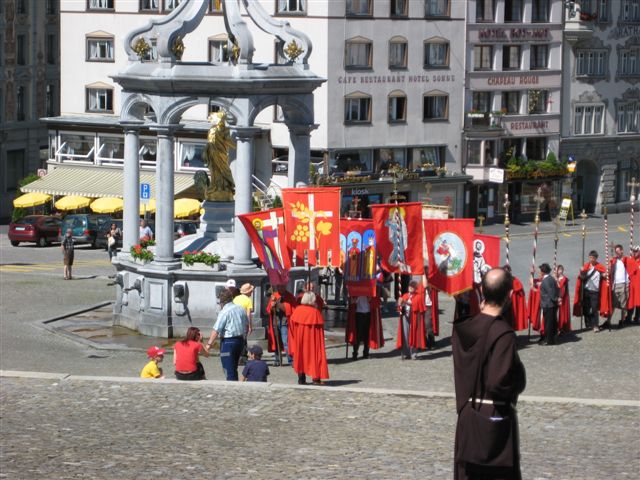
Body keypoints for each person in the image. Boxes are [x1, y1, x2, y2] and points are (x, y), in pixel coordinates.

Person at [452, 268, 526, 480]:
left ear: (482, 293)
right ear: (510, 295)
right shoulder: (503, 334)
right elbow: (498, 381)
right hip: (493, 422)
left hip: (467, 416)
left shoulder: (464, 328)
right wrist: (517, 381)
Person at [205, 289, 249, 381]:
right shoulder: (240, 308)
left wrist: (208, 345)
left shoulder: (224, 312)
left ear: (221, 302)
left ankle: (232, 387)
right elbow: (247, 325)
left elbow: (216, 330)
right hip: (240, 341)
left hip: (228, 342)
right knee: (234, 366)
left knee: (229, 368)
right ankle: (234, 383)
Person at [289, 291, 329, 385]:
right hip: (312, 341)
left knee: (300, 357)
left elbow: (291, 327)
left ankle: (301, 379)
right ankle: (316, 379)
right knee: (314, 356)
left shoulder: (297, 311)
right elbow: (319, 331)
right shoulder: (315, 313)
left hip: (300, 340)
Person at [573, 250, 610, 333]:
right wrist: (582, 272)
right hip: (586, 291)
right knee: (586, 309)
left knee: (594, 309)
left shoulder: (600, 267)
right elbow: (582, 278)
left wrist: (606, 274)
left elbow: (604, 275)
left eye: (593, 258)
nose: (591, 259)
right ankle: (588, 324)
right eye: (590, 257)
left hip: (595, 292)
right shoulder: (586, 266)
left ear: (596, 258)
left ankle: (595, 325)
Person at [266, 284, 297, 366]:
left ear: (285, 286)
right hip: (275, 322)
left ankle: (291, 360)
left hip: (285, 323)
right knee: (276, 342)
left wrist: (277, 303)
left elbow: (288, 310)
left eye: (282, 286)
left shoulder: (289, 296)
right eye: (279, 286)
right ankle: (277, 360)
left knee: (285, 342)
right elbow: (269, 310)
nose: (280, 288)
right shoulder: (274, 295)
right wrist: (272, 306)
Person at [346, 294, 385, 360]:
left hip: (369, 314)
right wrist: (352, 300)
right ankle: (355, 353)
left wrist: (371, 299)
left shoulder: (371, 290)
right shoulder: (356, 290)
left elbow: (378, 302)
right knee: (357, 335)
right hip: (358, 314)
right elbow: (351, 302)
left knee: (367, 334)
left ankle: (366, 353)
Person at [396, 280, 427, 360]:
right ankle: (406, 353)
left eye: (412, 287)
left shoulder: (418, 297)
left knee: (414, 334)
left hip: (414, 318)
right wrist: (399, 303)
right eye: (409, 286)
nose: (410, 287)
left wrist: (405, 302)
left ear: (415, 288)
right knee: (405, 334)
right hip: (405, 316)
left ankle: (413, 353)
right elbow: (400, 306)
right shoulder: (405, 295)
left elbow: (415, 306)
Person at [609, 244, 632, 328]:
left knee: (623, 305)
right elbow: (610, 271)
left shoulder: (626, 260)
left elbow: (632, 269)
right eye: (616, 252)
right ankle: (608, 321)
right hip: (615, 284)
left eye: (618, 251)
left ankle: (622, 321)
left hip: (624, 284)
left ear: (622, 251)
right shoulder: (614, 260)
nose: (617, 253)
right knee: (613, 304)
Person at [539, 263, 560, 345]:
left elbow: (550, 292)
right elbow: (557, 289)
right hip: (552, 304)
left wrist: (555, 299)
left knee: (548, 323)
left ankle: (548, 340)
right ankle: (553, 339)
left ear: (543, 272)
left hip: (548, 304)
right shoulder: (551, 278)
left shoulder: (546, 280)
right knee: (552, 322)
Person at [503, 265, 527, 331]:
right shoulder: (501, 279)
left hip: (511, 304)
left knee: (511, 320)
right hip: (503, 304)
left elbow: (519, 287)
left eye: (508, 271)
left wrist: (513, 290)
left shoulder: (514, 279)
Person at [556, 265, 572, 333]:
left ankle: (562, 327)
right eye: (558, 270)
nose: (559, 271)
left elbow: (562, 289)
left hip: (563, 299)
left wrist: (560, 297)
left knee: (562, 313)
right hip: (556, 298)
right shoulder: (556, 278)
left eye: (560, 270)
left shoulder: (564, 279)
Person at [627, 245, 640, 324]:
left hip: (639, 286)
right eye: (633, 251)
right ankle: (628, 317)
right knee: (630, 302)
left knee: (639, 303)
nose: (634, 253)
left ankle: (637, 318)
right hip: (631, 286)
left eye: (636, 251)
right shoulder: (630, 260)